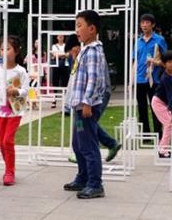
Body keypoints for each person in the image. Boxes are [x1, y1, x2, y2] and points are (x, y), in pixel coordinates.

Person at [63, 10, 108, 199]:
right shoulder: (84, 51)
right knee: (78, 144)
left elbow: (94, 80)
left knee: (88, 146)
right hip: (79, 107)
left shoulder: (94, 52)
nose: (77, 30)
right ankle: (82, 177)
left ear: (92, 29)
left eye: (79, 25)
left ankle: (95, 184)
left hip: (87, 107)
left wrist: (87, 102)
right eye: (76, 26)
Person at [65, 34, 121, 163]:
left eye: (71, 51)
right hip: (86, 97)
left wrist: (87, 102)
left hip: (96, 95)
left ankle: (93, 152)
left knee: (87, 125)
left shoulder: (91, 54)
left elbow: (93, 80)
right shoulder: (82, 56)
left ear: (76, 47)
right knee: (86, 124)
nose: (71, 55)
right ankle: (104, 146)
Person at [0, 36, 29, 186]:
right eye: (2, 49)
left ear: (16, 51)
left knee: (8, 140)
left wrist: (16, 91)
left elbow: (26, 90)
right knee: (1, 143)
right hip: (0, 110)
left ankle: (9, 172)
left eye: (8, 49)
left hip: (15, 111)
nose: (4, 52)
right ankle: (8, 166)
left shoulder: (20, 71)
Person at [133, 13, 168, 137]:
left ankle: (158, 134)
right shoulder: (138, 41)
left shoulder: (159, 40)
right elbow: (134, 60)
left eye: (147, 23)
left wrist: (156, 62)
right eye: (142, 23)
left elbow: (166, 60)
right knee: (141, 108)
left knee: (156, 107)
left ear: (153, 25)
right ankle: (145, 135)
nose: (144, 25)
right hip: (139, 79)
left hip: (154, 80)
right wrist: (131, 78)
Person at [150, 50, 172, 158]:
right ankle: (162, 150)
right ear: (164, 64)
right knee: (169, 123)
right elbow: (170, 97)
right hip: (158, 103)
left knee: (170, 123)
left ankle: (164, 147)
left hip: (163, 102)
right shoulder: (166, 78)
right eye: (169, 62)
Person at [50, 34, 69, 107]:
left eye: (62, 36)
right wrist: (63, 55)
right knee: (55, 82)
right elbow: (54, 54)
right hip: (56, 66)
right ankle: (54, 100)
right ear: (57, 37)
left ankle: (65, 101)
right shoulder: (54, 46)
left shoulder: (66, 45)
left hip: (65, 65)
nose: (60, 38)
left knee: (65, 82)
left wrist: (59, 55)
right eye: (59, 36)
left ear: (64, 37)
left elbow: (68, 54)